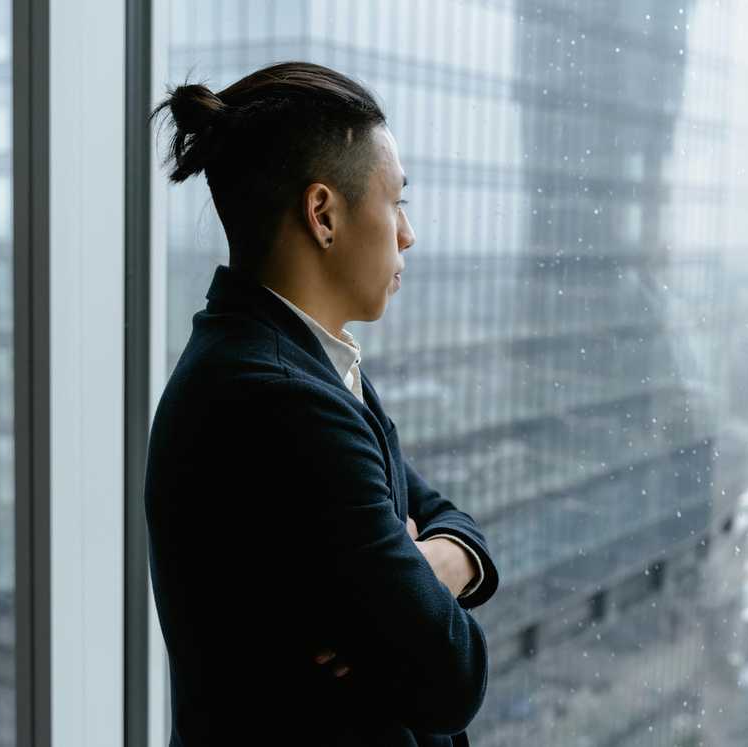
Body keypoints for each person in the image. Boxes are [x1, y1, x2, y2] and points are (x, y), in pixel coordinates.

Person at [144, 60, 499, 746]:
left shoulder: (290, 362)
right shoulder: (282, 402)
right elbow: (452, 677)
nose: (408, 234)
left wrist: (428, 570)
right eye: (396, 201)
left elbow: (448, 518)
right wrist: (409, 606)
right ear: (323, 214)